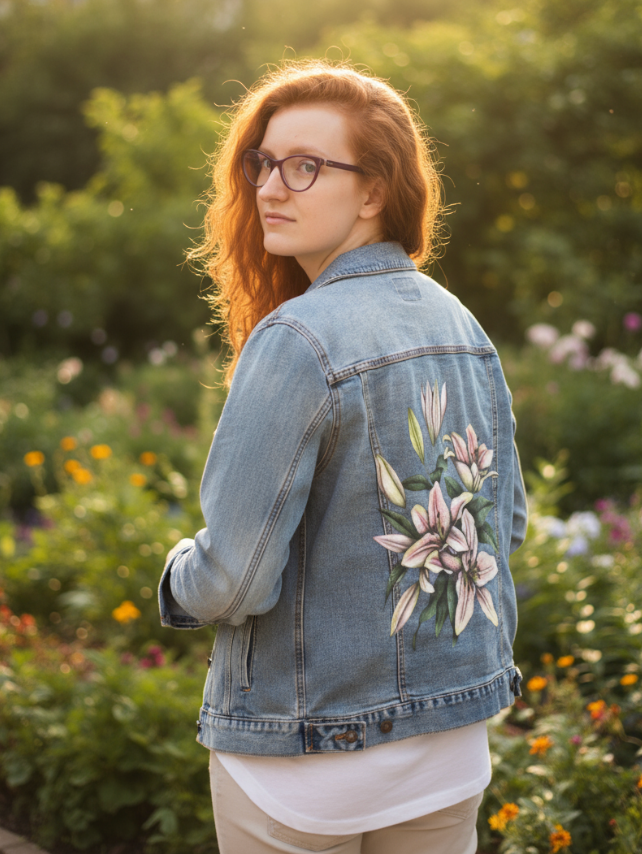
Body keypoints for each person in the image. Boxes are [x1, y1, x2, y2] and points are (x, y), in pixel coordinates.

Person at [158, 61, 527, 854]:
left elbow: (231, 579)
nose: (268, 188)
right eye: (263, 162)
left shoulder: (296, 338)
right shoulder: (459, 321)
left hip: (302, 763)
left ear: (373, 192)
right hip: (448, 749)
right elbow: (506, 526)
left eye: (305, 166)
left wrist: (175, 577)